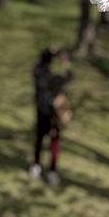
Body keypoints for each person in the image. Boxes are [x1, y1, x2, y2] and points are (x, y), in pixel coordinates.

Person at [29, 47, 73, 184]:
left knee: (41, 139)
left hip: (42, 111)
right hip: (52, 114)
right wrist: (65, 62)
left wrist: (52, 52)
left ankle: (37, 166)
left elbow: (44, 57)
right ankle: (51, 171)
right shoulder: (53, 78)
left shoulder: (38, 71)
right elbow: (69, 76)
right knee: (53, 141)